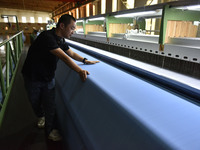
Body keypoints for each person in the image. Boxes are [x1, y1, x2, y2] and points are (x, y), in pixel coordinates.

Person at [22, 14, 99, 141]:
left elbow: (71, 53)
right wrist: (79, 71)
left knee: (50, 104)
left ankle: (50, 130)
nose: (73, 31)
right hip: (33, 76)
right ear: (62, 26)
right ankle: (40, 115)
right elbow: (64, 57)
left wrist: (85, 60)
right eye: (72, 28)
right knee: (34, 100)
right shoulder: (47, 37)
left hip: (48, 77)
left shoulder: (61, 40)